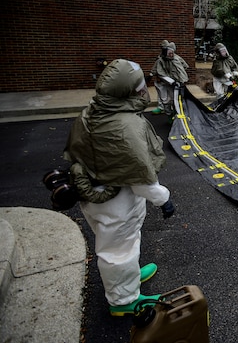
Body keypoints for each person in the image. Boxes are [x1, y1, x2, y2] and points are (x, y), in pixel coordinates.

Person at [63, 59, 176, 316]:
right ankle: (124, 301)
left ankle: (130, 277)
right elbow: (140, 178)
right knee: (118, 251)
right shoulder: (124, 126)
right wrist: (163, 199)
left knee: (122, 243)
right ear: (130, 90)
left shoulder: (92, 113)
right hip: (116, 204)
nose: (144, 89)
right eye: (140, 85)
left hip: (96, 198)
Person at [151, 41, 189, 116]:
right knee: (165, 100)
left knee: (175, 100)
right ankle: (169, 114)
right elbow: (159, 72)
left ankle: (176, 114)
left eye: (172, 53)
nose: (171, 55)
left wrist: (180, 78)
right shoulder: (160, 61)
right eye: (170, 54)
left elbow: (184, 66)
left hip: (175, 83)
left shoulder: (177, 58)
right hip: (165, 82)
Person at [151, 39, 170, 115]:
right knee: (160, 93)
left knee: (167, 96)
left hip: (168, 78)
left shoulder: (171, 57)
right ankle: (161, 107)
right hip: (162, 78)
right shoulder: (160, 58)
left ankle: (168, 109)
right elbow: (156, 68)